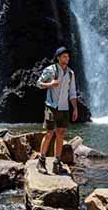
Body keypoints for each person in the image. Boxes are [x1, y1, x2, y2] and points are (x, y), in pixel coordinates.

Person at [35, 46, 79, 174]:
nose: (67, 58)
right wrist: (50, 84)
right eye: (64, 56)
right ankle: (41, 161)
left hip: (64, 107)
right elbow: (38, 83)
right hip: (51, 106)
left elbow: (72, 93)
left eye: (68, 56)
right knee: (49, 133)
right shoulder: (50, 70)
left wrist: (75, 109)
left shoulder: (71, 73)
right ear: (58, 58)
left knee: (60, 134)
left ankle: (56, 162)